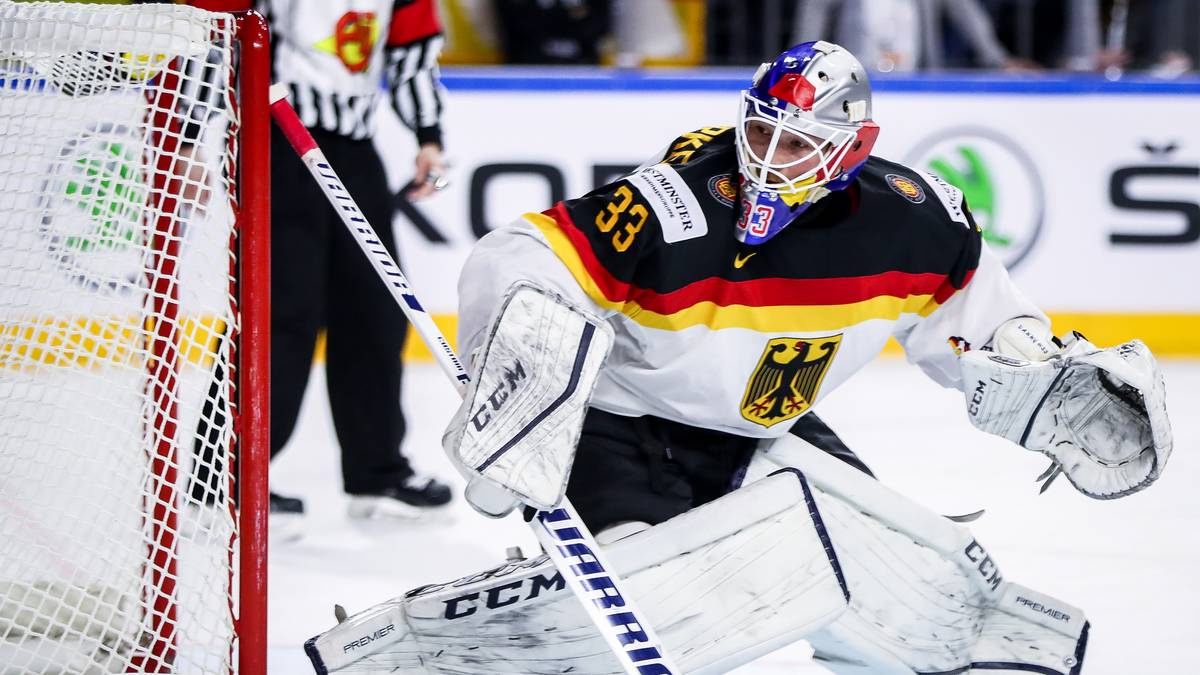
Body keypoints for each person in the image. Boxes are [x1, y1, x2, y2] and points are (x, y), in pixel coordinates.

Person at [432, 40, 1171, 672]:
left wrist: (1037, 368)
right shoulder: (675, 199)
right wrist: (520, 361)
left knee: (899, 584)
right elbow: (524, 253)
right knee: (662, 607)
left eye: (794, 143)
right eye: (759, 131)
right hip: (622, 427)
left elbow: (979, 319)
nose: (765, 158)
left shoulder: (912, 221)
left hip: (757, 435)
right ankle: (537, 614)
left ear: (853, 146)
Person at [264, 0, 453, 532]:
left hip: (353, 148)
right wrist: (189, 139)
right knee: (283, 314)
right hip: (275, 142)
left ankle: (377, 472)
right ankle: (228, 479)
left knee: (375, 309)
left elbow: (412, 59)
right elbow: (216, 38)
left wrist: (429, 139)